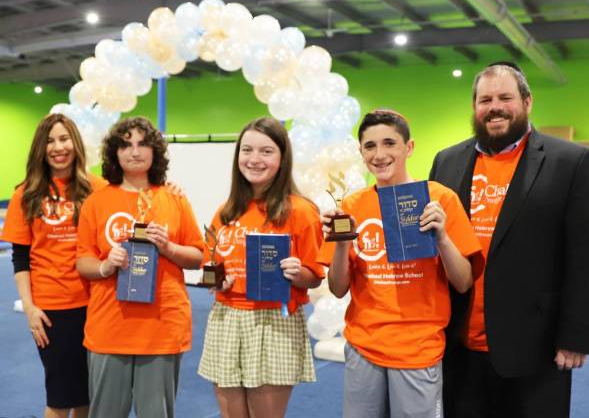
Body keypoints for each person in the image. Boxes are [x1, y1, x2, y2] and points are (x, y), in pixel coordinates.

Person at [429, 62, 589, 417]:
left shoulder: (571, 161)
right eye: (485, 99)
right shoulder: (447, 162)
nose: (494, 107)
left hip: (535, 344)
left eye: (505, 97)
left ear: (527, 102)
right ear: (474, 108)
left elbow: (582, 256)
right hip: (459, 342)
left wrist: (575, 336)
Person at [318, 109, 483, 418]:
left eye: (389, 143)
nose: (379, 154)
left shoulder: (439, 200)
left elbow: (463, 282)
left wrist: (443, 237)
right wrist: (342, 246)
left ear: (408, 148)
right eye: (370, 146)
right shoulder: (351, 205)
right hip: (363, 347)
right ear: (361, 152)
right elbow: (338, 289)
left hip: (417, 350)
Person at [75, 116, 204, 418]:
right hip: (110, 327)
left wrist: (168, 247)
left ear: (155, 151)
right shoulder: (96, 202)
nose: (135, 151)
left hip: (161, 328)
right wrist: (107, 266)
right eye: (126, 145)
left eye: (143, 144)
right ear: (114, 153)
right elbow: (83, 261)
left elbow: (198, 256)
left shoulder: (174, 198)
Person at [198, 117, 324, 418]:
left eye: (266, 151)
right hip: (225, 319)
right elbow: (209, 267)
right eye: (247, 150)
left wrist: (296, 272)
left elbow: (314, 277)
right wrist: (216, 280)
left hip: (274, 322)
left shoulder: (301, 211)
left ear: (282, 158)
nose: (254, 159)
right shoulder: (226, 211)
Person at [1, 113, 107, 418]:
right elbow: (20, 257)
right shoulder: (27, 193)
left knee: (88, 394)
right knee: (60, 398)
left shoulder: (97, 189)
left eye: (64, 138)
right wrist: (31, 308)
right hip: (52, 310)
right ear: (40, 148)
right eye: (50, 141)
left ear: (75, 143)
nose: (58, 147)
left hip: (96, 305)